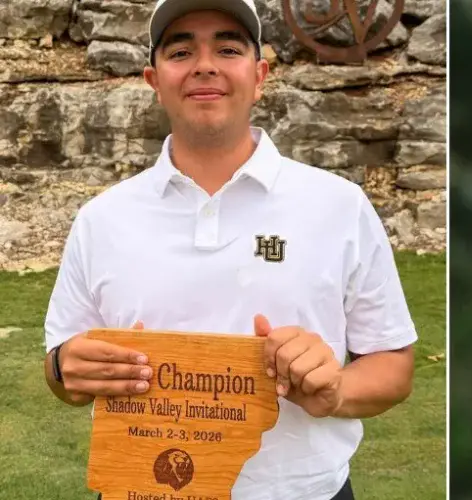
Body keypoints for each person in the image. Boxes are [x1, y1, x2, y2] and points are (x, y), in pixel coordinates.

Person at [41, 1, 418, 499]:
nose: (205, 65)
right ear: (154, 81)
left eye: (227, 49)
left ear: (259, 76)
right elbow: (61, 368)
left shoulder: (339, 205)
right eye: (181, 52)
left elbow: (393, 363)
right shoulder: (101, 219)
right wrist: (65, 368)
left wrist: (337, 390)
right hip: (139, 488)